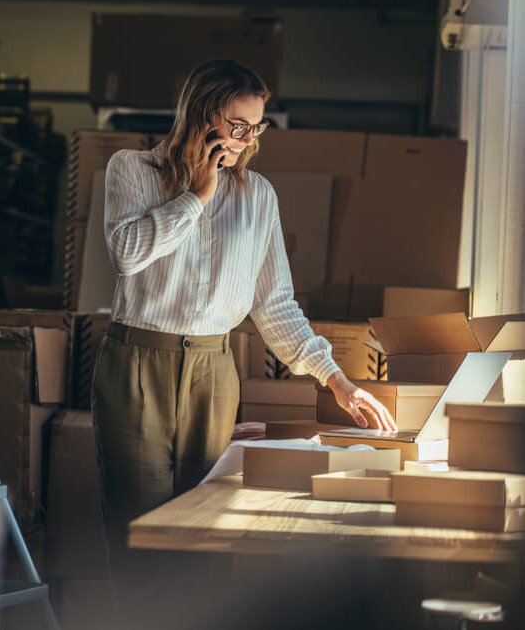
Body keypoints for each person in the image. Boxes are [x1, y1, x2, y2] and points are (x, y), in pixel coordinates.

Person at [90, 59, 397, 628]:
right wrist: (197, 196)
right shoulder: (132, 168)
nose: (248, 140)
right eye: (238, 125)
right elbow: (127, 255)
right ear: (202, 115)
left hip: (213, 369)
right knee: (138, 524)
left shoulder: (258, 196)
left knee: (205, 525)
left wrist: (338, 380)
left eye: (257, 128)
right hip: (138, 361)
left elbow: (274, 304)